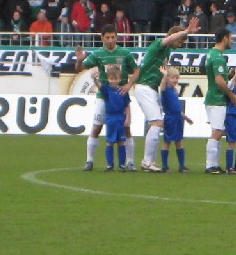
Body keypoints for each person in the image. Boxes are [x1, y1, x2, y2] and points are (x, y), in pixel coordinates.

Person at [134, 18, 201, 173]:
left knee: (156, 123)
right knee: (157, 123)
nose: (180, 45)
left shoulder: (167, 52)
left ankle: (149, 160)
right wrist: (186, 31)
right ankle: (147, 161)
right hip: (145, 87)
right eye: (179, 41)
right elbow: (169, 39)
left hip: (151, 89)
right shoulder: (159, 43)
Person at [76, 24, 140, 172]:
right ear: (102, 38)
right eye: (107, 37)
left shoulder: (125, 53)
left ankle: (130, 162)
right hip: (103, 96)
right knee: (97, 128)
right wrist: (79, 60)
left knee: (126, 129)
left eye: (113, 37)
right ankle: (89, 160)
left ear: (116, 37)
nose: (110, 40)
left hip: (121, 96)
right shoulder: (98, 54)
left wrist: (129, 84)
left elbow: (136, 70)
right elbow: (79, 69)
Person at [204, 29, 236, 175]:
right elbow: (219, 81)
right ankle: (210, 165)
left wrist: (233, 78)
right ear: (225, 38)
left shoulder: (212, 54)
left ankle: (214, 164)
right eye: (231, 38)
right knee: (217, 131)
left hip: (213, 98)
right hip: (217, 99)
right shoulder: (218, 57)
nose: (232, 41)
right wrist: (231, 95)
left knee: (218, 131)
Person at [160, 66, 193, 172]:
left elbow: (177, 108)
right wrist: (164, 75)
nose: (175, 80)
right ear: (168, 78)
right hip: (170, 118)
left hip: (178, 118)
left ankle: (181, 165)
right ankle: (165, 166)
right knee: (167, 142)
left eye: (176, 78)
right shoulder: (165, 90)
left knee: (179, 141)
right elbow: (162, 87)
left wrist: (185, 117)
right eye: (172, 78)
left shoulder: (174, 90)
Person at [99, 65, 132, 171]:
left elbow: (127, 105)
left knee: (121, 141)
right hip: (110, 118)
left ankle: (122, 164)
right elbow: (99, 86)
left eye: (115, 79)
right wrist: (94, 78)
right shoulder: (106, 89)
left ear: (119, 79)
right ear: (108, 79)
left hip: (120, 118)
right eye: (111, 79)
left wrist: (128, 118)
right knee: (110, 141)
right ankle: (109, 165)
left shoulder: (123, 91)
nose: (113, 81)